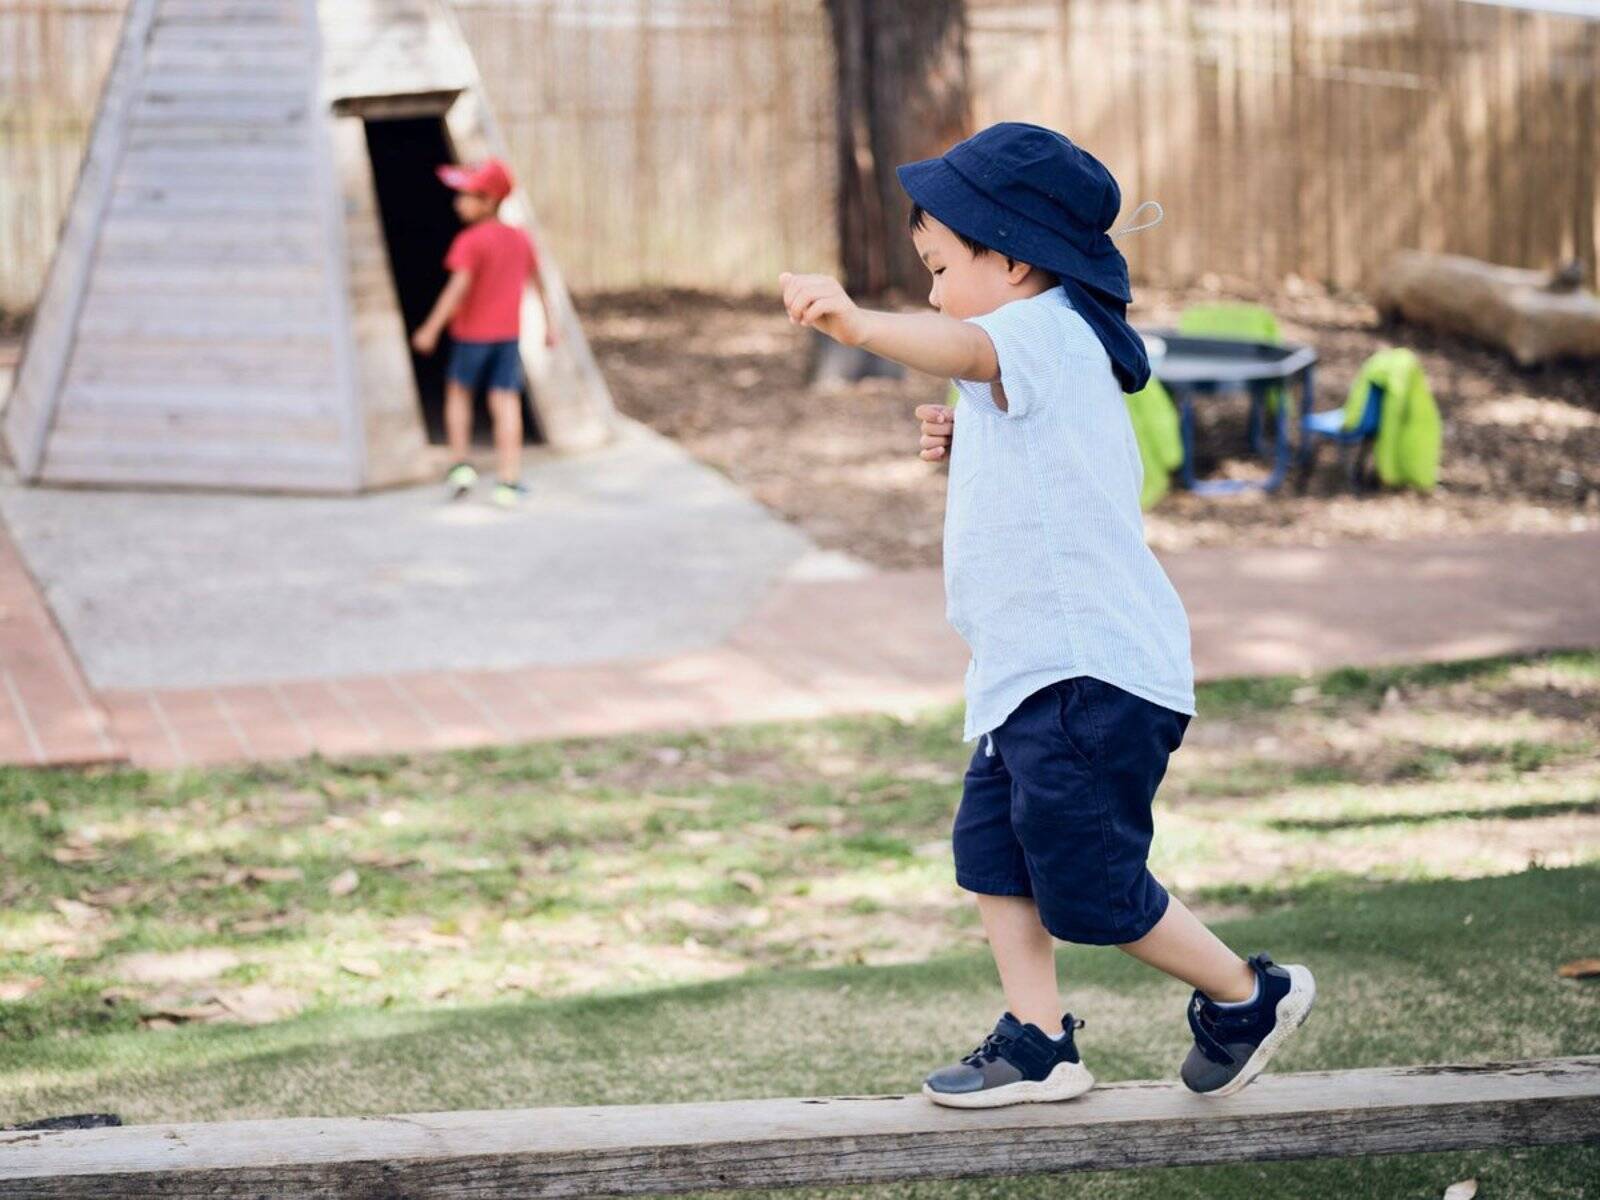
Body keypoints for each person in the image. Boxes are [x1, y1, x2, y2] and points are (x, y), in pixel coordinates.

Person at [779, 123, 1314, 1110]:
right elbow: (997, 399)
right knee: (992, 856)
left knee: (1091, 887)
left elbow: (964, 340)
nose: (933, 292)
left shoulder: (1045, 330)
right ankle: (1037, 1041)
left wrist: (859, 327)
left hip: (1087, 674)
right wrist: (963, 434)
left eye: (939, 268)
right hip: (1027, 673)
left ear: (1015, 257)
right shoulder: (1023, 353)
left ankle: (1247, 993)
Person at [411, 157, 556, 507]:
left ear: (488, 200)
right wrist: (550, 327)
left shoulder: (470, 241)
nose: (457, 202)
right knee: (505, 403)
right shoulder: (521, 238)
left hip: (471, 337)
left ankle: (460, 465)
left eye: (465, 195)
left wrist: (431, 328)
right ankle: (508, 481)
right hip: (507, 337)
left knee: (459, 394)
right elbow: (539, 284)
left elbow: (456, 289)